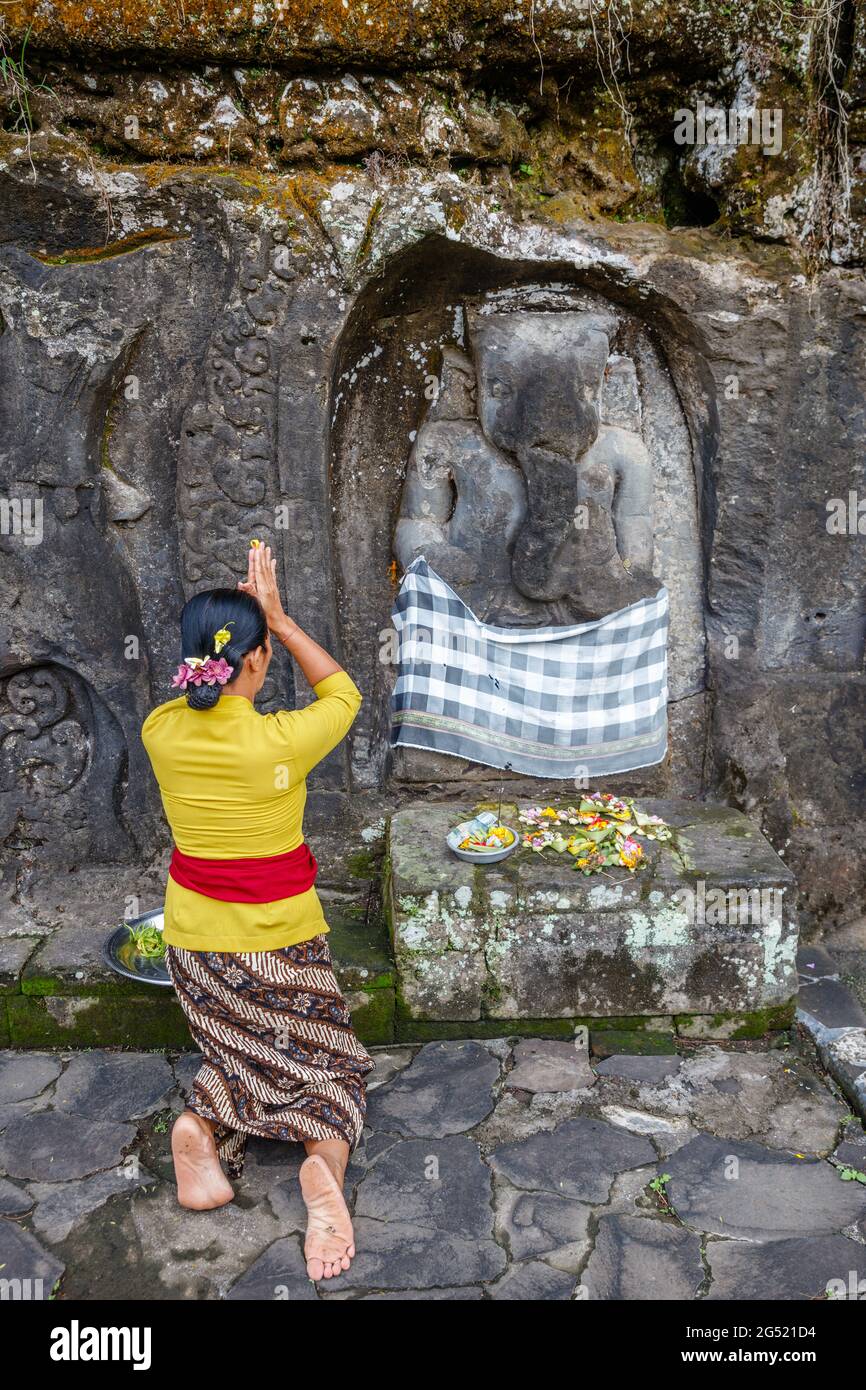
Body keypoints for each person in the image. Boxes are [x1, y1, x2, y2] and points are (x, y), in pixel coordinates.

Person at [141, 543, 374, 1282]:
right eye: (264, 654)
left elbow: (200, 698)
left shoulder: (160, 732)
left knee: (235, 1054)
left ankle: (201, 1128)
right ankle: (322, 1169)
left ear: (188, 663)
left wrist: (252, 637)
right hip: (280, 940)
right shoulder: (281, 740)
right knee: (331, 1066)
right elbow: (343, 694)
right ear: (256, 662)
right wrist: (281, 618)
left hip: (195, 946)